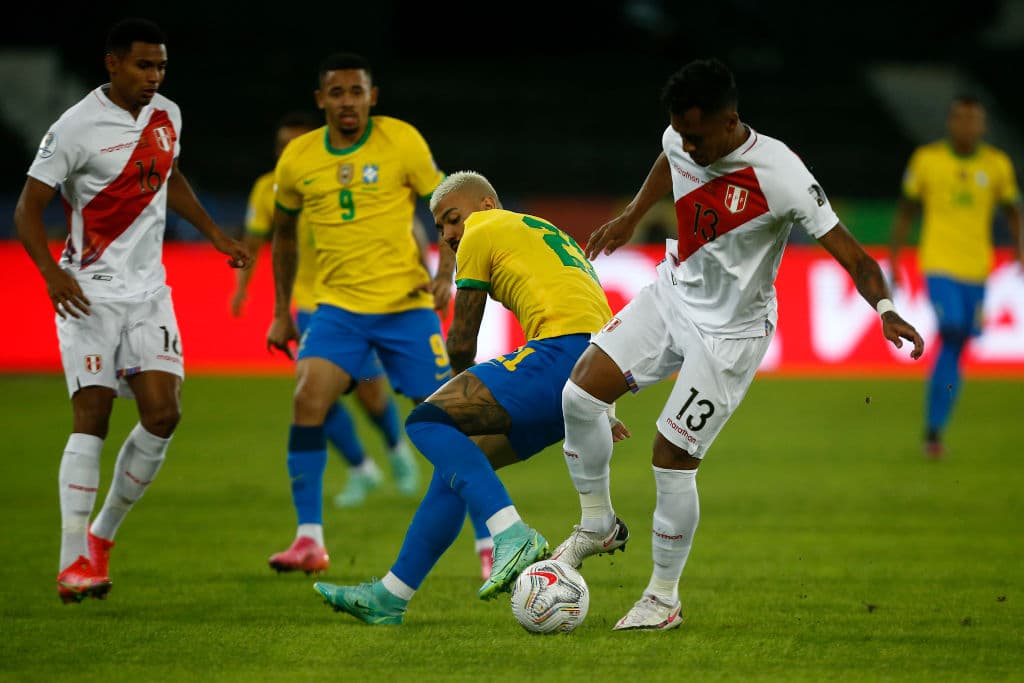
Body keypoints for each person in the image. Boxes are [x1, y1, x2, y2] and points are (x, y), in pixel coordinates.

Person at [542, 58, 925, 631]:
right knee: (579, 397)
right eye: (682, 134)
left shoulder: (782, 173)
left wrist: (887, 309)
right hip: (672, 295)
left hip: (730, 336)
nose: (688, 147)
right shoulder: (681, 135)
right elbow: (668, 158)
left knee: (670, 459)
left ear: (731, 121)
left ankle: (663, 598)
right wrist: (631, 215)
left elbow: (854, 256)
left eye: (699, 138)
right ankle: (596, 524)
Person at [312, 171, 624, 624]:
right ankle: (389, 597)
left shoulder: (484, 227)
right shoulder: (543, 231)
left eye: (453, 219)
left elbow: (462, 339)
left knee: (426, 422)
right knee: (457, 468)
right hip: (594, 366)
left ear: (486, 205)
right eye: (440, 228)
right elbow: (597, 311)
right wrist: (600, 402)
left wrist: (456, 397)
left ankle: (510, 534)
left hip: (561, 351)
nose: (450, 234)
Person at [13, 18, 250, 604]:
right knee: (91, 413)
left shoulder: (167, 114)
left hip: (150, 294)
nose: (154, 77)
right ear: (112, 64)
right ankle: (72, 561)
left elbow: (169, 177)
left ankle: (101, 537)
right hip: (88, 293)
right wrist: (51, 274)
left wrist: (215, 235)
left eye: (161, 66)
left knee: (163, 414)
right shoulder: (74, 127)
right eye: (143, 65)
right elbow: (27, 208)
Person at [265, 53, 492, 577]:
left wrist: (444, 273)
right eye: (337, 93)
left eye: (357, 91)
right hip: (337, 309)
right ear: (321, 99)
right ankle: (308, 540)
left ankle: (489, 538)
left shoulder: (401, 141)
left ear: (373, 96)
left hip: (405, 308)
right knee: (307, 400)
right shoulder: (297, 158)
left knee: (448, 420)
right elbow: (282, 235)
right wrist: (281, 311)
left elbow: (451, 207)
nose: (348, 101)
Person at [230, 111, 420, 508]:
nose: (289, 152)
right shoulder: (268, 191)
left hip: (355, 302)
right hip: (309, 306)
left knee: (369, 392)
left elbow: (400, 220)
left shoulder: (339, 177)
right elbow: (258, 240)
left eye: (296, 144)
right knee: (315, 395)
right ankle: (361, 468)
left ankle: (395, 447)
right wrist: (242, 288)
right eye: (283, 146)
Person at [889, 96, 1021, 459]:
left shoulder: (997, 165)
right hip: (938, 265)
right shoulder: (927, 160)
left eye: (973, 119)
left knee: (957, 344)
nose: (966, 125)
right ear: (951, 123)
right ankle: (933, 430)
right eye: (960, 118)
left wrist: (1019, 250)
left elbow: (1012, 211)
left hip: (977, 269)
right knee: (954, 330)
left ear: (983, 125)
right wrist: (896, 259)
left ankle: (934, 430)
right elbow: (905, 211)